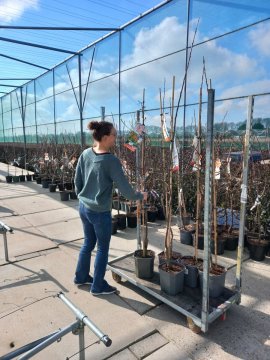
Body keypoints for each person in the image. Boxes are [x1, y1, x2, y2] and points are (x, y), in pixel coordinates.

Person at [74, 120, 147, 295]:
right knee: (102, 248)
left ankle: (81, 277)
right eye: (114, 135)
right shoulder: (111, 161)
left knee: (88, 243)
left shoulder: (86, 154)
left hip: (84, 207)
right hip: (100, 212)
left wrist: (83, 196)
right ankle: (98, 286)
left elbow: (77, 181)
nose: (116, 138)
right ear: (105, 137)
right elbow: (126, 191)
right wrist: (140, 196)